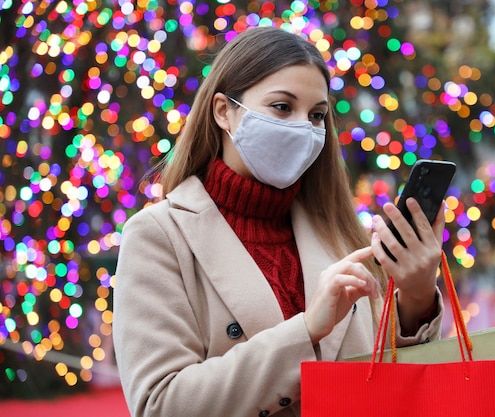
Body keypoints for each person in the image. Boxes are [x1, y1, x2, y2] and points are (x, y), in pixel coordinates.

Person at [112, 27, 445, 417]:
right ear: (224, 111)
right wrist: (305, 332)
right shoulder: (159, 235)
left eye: (317, 115)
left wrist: (418, 296)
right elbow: (161, 405)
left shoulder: (337, 228)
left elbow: (392, 386)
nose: (303, 127)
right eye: (282, 107)